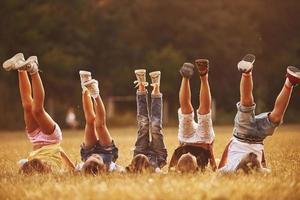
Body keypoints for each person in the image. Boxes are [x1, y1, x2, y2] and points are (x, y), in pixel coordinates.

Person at [218, 54, 300, 173]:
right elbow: (263, 163)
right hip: (258, 138)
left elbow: (221, 166)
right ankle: (290, 81)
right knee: (276, 118)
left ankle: (247, 72)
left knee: (246, 104)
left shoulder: (230, 170)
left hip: (241, 134)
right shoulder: (261, 172)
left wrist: (231, 143)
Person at [3, 53, 75, 174]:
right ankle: (33, 70)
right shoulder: (54, 170)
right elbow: (63, 155)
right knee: (37, 110)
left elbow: (24, 166)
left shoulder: (30, 161)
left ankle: (21, 67)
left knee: (27, 106)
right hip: (52, 138)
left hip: (35, 138)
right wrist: (73, 169)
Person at [168, 59, 217, 173]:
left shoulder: (198, 169)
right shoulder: (195, 168)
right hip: (189, 142)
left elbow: (174, 156)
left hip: (200, 143)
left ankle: (202, 75)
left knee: (202, 112)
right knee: (187, 111)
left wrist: (215, 168)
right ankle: (187, 78)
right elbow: (176, 154)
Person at [75, 71, 122, 175]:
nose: (95, 155)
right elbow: (125, 171)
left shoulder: (82, 167)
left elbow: (70, 168)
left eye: (92, 158)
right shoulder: (109, 167)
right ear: (102, 166)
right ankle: (95, 94)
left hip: (88, 151)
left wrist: (89, 156)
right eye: (97, 158)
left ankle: (85, 88)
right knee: (100, 126)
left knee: (90, 122)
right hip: (108, 151)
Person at [126, 69, 168, 173]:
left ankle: (141, 85)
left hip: (140, 154)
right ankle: (156, 86)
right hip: (159, 156)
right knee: (155, 127)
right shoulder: (155, 172)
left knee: (143, 124)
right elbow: (159, 172)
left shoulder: (136, 172)